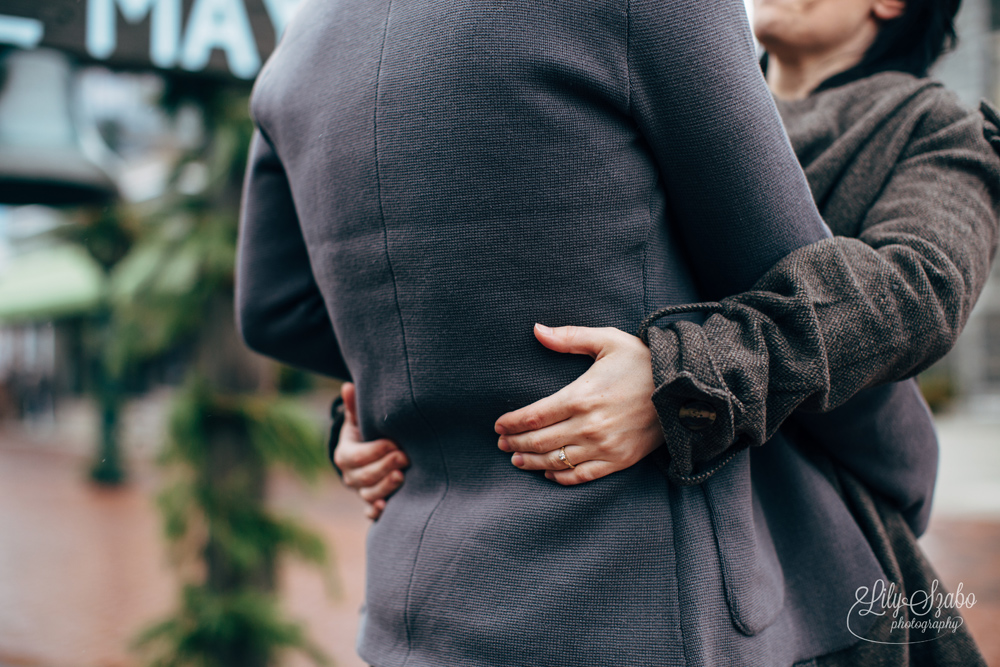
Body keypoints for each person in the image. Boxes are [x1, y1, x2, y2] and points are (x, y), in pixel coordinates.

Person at [237, 0, 999, 664]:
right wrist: (379, 396)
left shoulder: (928, 128)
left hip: (428, 599)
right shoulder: (660, 50)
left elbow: (912, 289)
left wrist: (680, 378)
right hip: (642, 592)